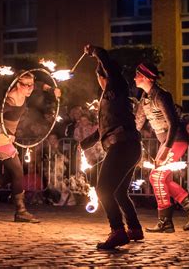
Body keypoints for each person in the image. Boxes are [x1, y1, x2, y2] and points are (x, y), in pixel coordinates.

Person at [0, 71, 60, 223]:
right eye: (26, 85)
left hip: (5, 137)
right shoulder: (10, 100)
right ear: (17, 84)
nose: (30, 88)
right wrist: (6, 131)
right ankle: (20, 211)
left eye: (31, 84)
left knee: (14, 173)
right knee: (18, 171)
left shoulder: (27, 89)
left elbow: (38, 86)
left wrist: (51, 90)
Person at [78, 44, 143, 250]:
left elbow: (109, 66)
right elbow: (103, 130)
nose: (99, 80)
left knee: (103, 189)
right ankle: (134, 228)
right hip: (127, 147)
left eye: (100, 76)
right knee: (119, 192)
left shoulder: (116, 87)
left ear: (103, 76)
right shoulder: (108, 100)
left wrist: (95, 52)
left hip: (123, 146)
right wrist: (83, 144)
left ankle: (118, 231)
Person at [134, 62, 189, 233]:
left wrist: (166, 148)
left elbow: (173, 123)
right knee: (163, 179)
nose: (134, 78)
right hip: (167, 142)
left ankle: (166, 220)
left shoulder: (161, 95)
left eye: (137, 75)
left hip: (175, 140)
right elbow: (137, 124)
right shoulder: (144, 100)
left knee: (157, 176)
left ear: (145, 77)